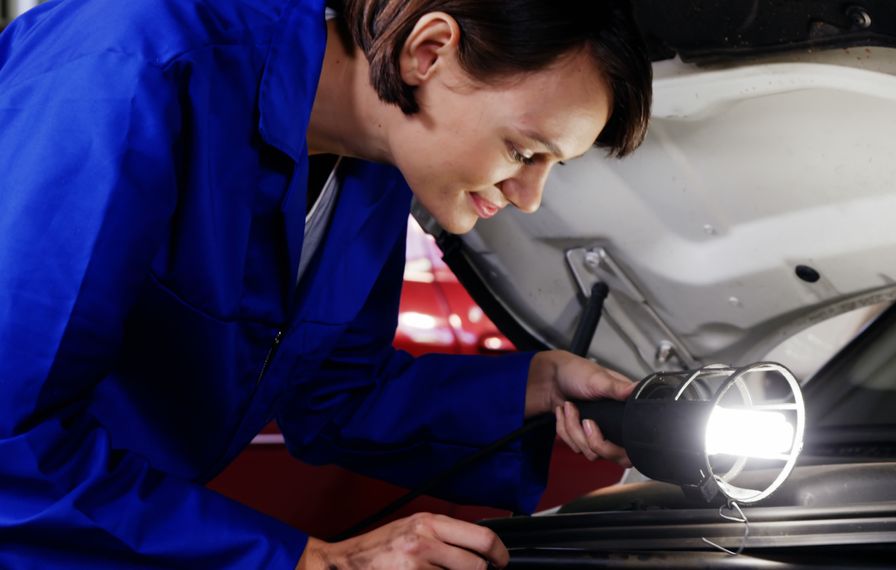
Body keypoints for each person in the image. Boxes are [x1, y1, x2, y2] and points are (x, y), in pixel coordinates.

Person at [0, 0, 652, 567]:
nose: (530, 197)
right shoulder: (133, 67)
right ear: (429, 52)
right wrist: (309, 562)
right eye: (522, 151)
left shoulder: (374, 165)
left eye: (552, 166)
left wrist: (533, 390)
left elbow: (330, 393)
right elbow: (9, 436)